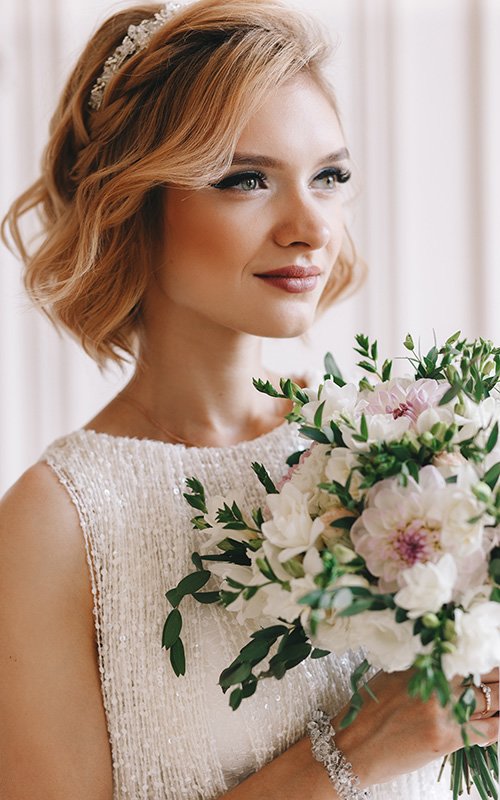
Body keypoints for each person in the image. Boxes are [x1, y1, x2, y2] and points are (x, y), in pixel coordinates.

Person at [1, 1, 498, 798]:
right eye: (246, 179)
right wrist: (354, 752)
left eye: (330, 176)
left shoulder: (389, 445)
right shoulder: (57, 526)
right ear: (135, 201)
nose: (311, 226)